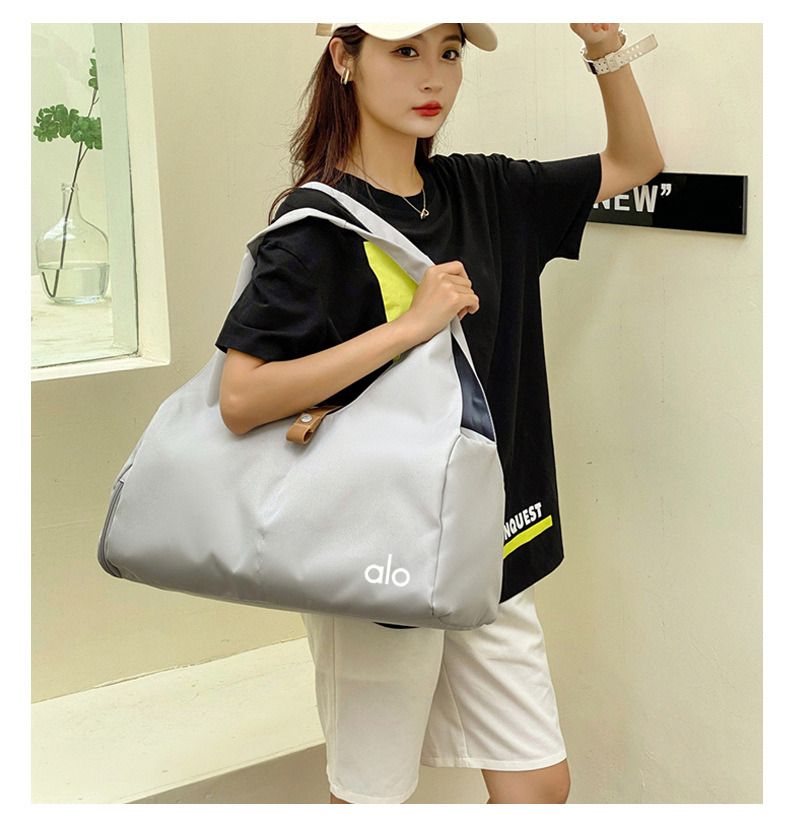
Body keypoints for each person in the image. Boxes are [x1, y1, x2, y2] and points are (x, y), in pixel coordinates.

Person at [216, 23, 663, 805]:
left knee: (538, 781)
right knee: (373, 793)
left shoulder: (488, 191)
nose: (433, 77)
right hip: (375, 555)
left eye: (449, 53)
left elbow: (633, 163)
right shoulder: (317, 227)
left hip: (488, 544)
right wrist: (410, 327)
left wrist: (605, 51)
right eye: (405, 51)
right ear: (344, 58)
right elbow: (242, 397)